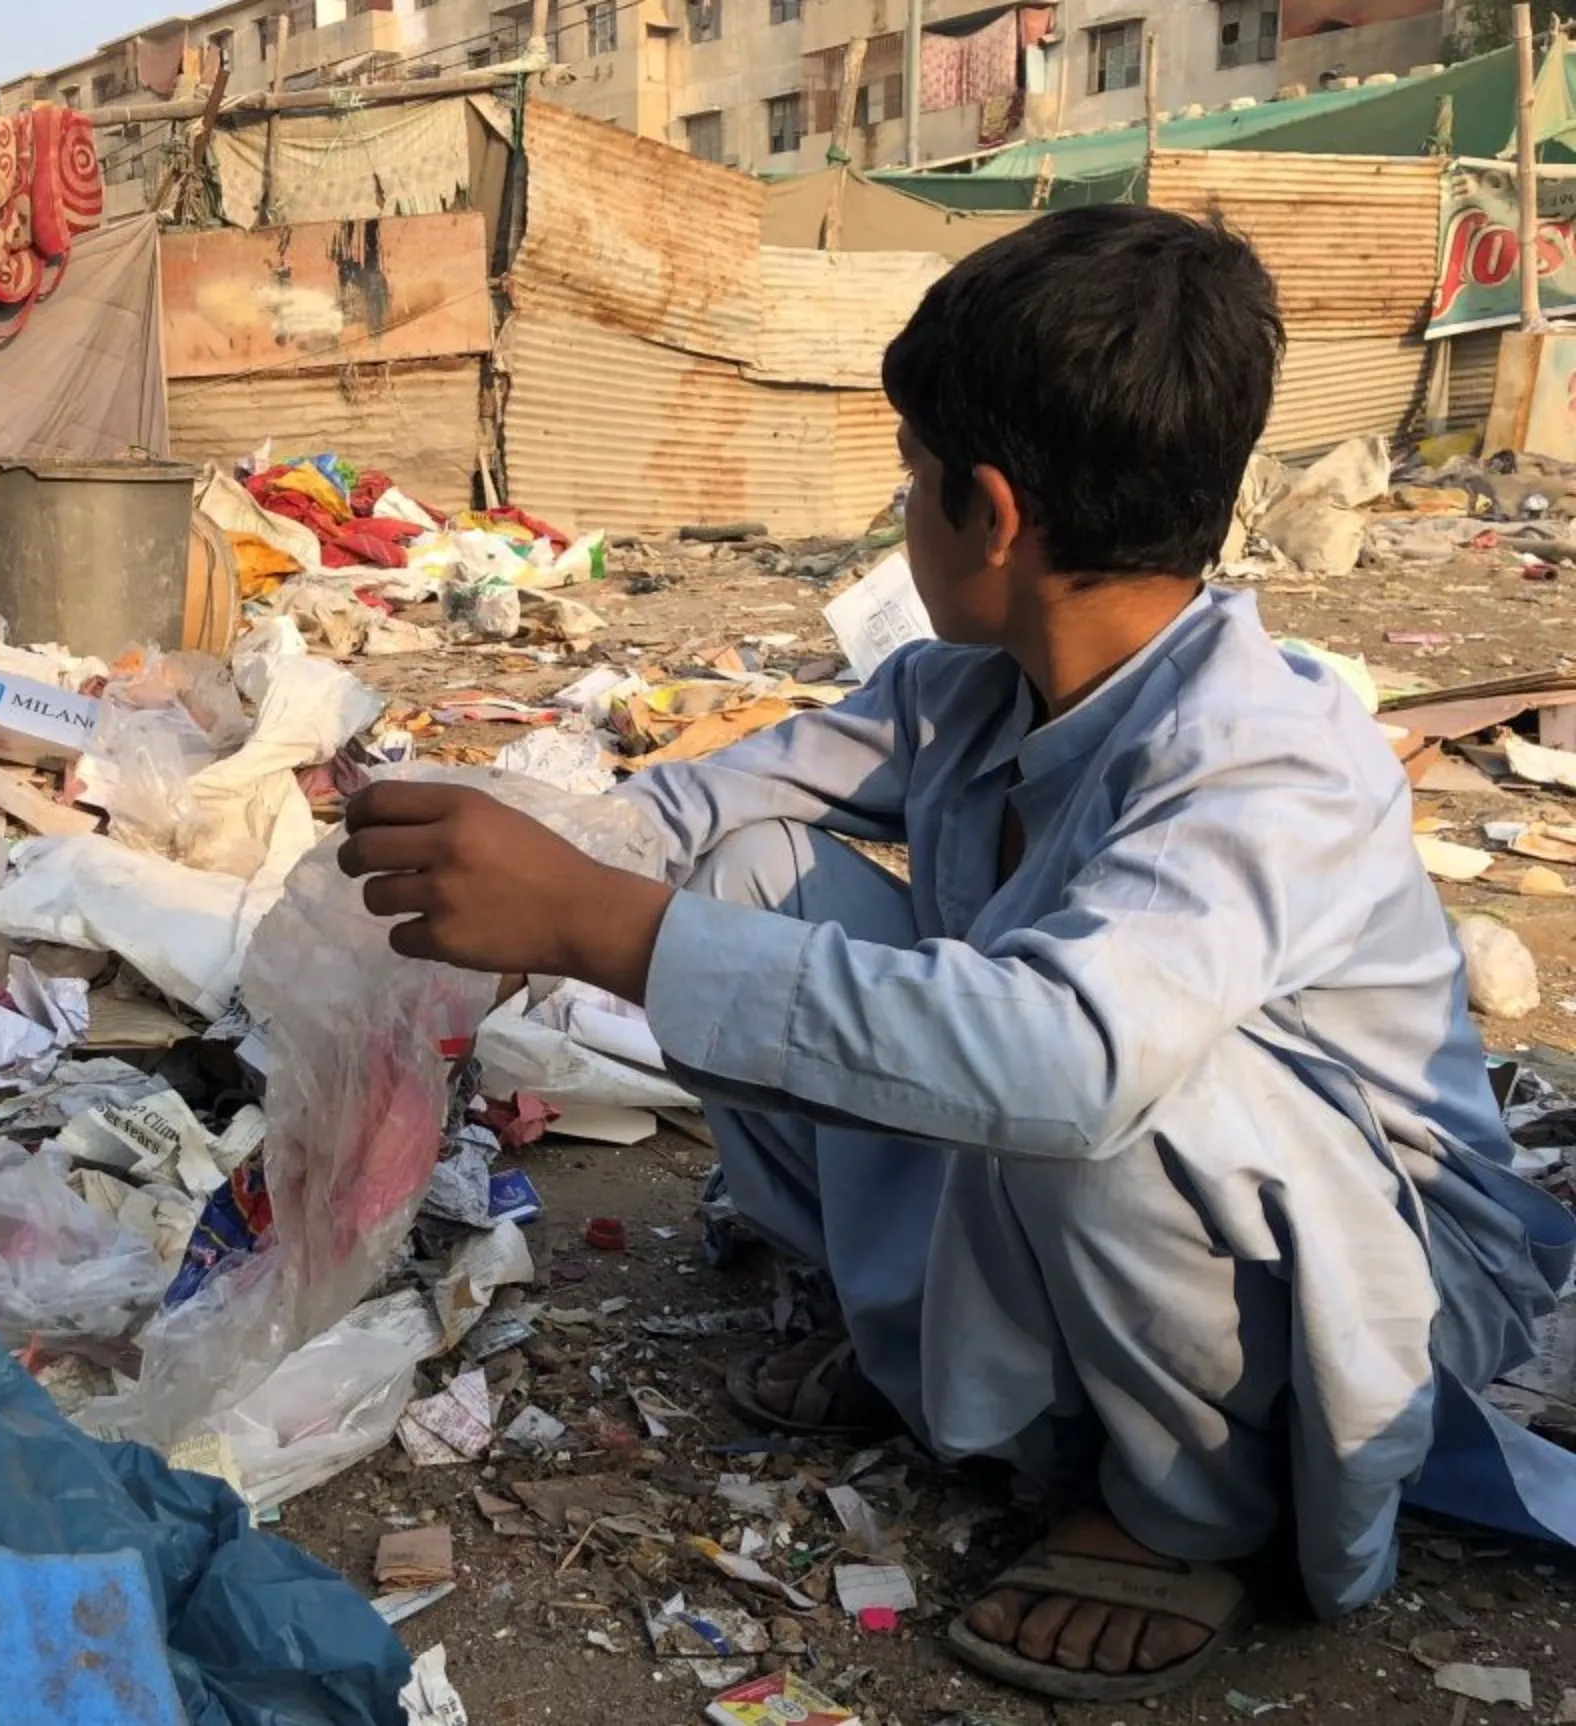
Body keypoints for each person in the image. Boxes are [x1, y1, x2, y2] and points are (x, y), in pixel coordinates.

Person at [336, 204, 1576, 1704]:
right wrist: (523, 859)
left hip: (1385, 1262)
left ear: (987, 512)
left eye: (909, 478)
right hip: (1117, 1188)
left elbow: (1072, 1062)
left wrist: (600, 923)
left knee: (1097, 1080)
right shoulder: (973, 687)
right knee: (757, 878)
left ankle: (1187, 1503)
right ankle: (938, 1358)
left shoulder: (1267, 752)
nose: (903, 509)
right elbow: (709, 805)